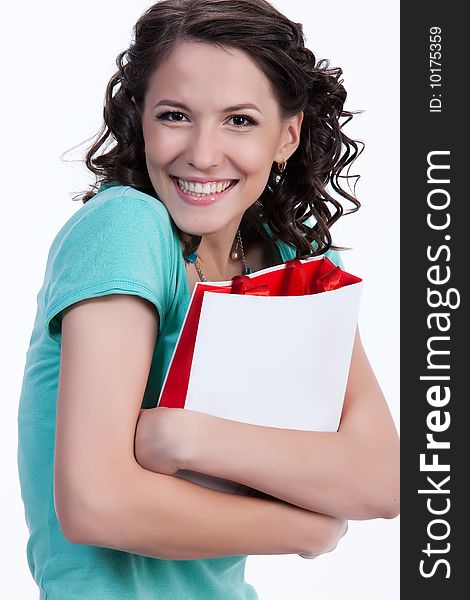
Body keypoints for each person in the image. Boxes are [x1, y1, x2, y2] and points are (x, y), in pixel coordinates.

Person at [17, 0, 400, 598]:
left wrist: (188, 438)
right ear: (140, 118)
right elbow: (97, 504)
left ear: (287, 135)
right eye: (175, 115)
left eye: (240, 120)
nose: (201, 152)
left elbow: (383, 480)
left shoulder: (292, 259)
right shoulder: (125, 227)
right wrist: (306, 528)